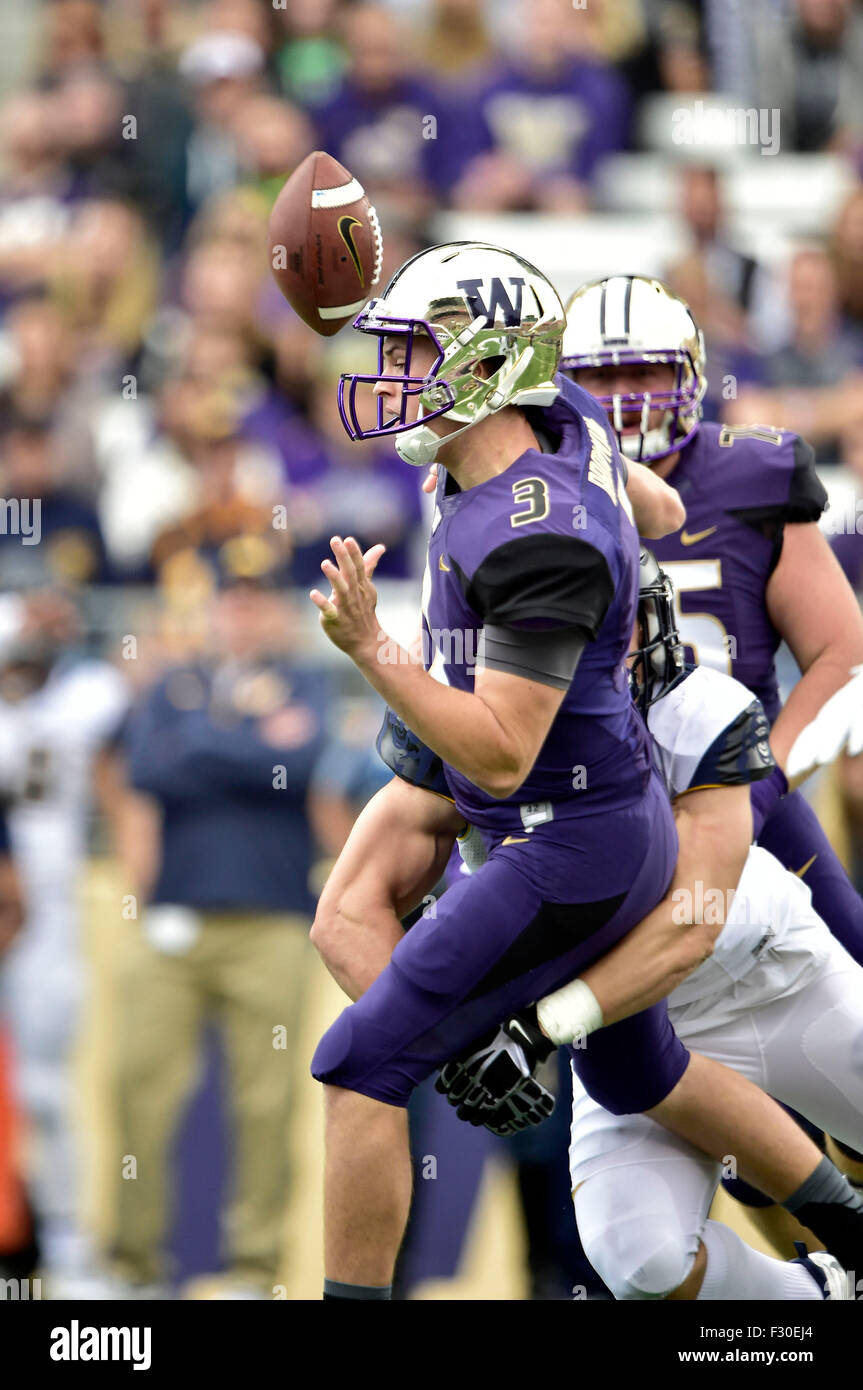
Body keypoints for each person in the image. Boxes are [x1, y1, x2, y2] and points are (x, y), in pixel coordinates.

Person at [306, 241, 860, 1300]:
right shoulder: (564, 441)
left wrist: (527, 1028)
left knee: (362, 1062)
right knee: (639, 1159)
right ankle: (825, 1285)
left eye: (418, 352)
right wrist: (479, 1046)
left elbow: (677, 908)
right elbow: (650, 513)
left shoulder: (656, 670)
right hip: (563, 827)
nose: (615, 399)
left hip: (622, 852)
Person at [560, 271, 863, 1231]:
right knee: (717, 1125)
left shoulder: (751, 474)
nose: (623, 402)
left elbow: (840, 652)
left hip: (755, 812)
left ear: (691, 373)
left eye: (646, 372)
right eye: (598, 381)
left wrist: (761, 773)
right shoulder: (531, 496)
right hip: (617, 824)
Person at [108, 550, 327, 1297]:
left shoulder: (306, 680)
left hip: (270, 920)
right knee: (139, 1086)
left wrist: (198, 739)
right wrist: (243, 738)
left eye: (254, 597)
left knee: (265, 1101)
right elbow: (144, 768)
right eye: (229, 598)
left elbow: (300, 764)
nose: (240, 611)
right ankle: (132, 1265)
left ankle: (252, 1267)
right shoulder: (175, 681)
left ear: (273, 609)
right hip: (175, 916)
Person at [0, 590, 129, 1296]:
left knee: (45, 1091)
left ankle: (69, 1248)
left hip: (46, 912)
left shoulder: (88, 694)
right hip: (20, 900)